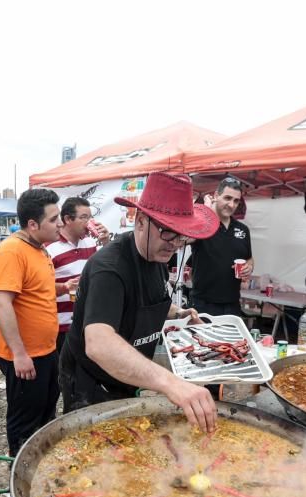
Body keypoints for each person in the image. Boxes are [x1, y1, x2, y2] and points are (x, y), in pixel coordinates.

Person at [59, 172, 219, 432]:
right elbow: (99, 343)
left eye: (182, 237)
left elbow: (148, 301)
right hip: (91, 380)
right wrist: (170, 383)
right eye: (169, 233)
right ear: (141, 221)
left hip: (126, 378)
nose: (175, 245)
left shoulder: (156, 256)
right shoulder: (108, 268)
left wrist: (180, 313)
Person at [0, 189, 62, 456]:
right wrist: (19, 354)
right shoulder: (11, 251)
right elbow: (2, 303)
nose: (60, 224)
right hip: (24, 355)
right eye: (54, 219)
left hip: (45, 349)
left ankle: (41, 462)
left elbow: (35, 290)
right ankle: (20, 471)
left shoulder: (39, 249)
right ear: (33, 224)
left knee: (45, 410)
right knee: (25, 420)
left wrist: (63, 287)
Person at [46, 196, 108, 353]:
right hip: (61, 326)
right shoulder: (49, 247)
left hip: (87, 322)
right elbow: (41, 287)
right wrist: (65, 287)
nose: (88, 222)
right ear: (67, 219)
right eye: (83, 217)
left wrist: (107, 243)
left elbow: (110, 267)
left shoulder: (91, 243)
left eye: (90, 217)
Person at [189, 176, 252, 316]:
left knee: (232, 339)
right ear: (216, 196)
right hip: (203, 304)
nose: (231, 205)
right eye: (227, 198)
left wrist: (249, 267)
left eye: (236, 201)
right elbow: (185, 239)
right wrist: (205, 214)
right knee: (202, 339)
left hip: (233, 304)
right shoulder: (204, 224)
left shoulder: (242, 229)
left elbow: (249, 258)